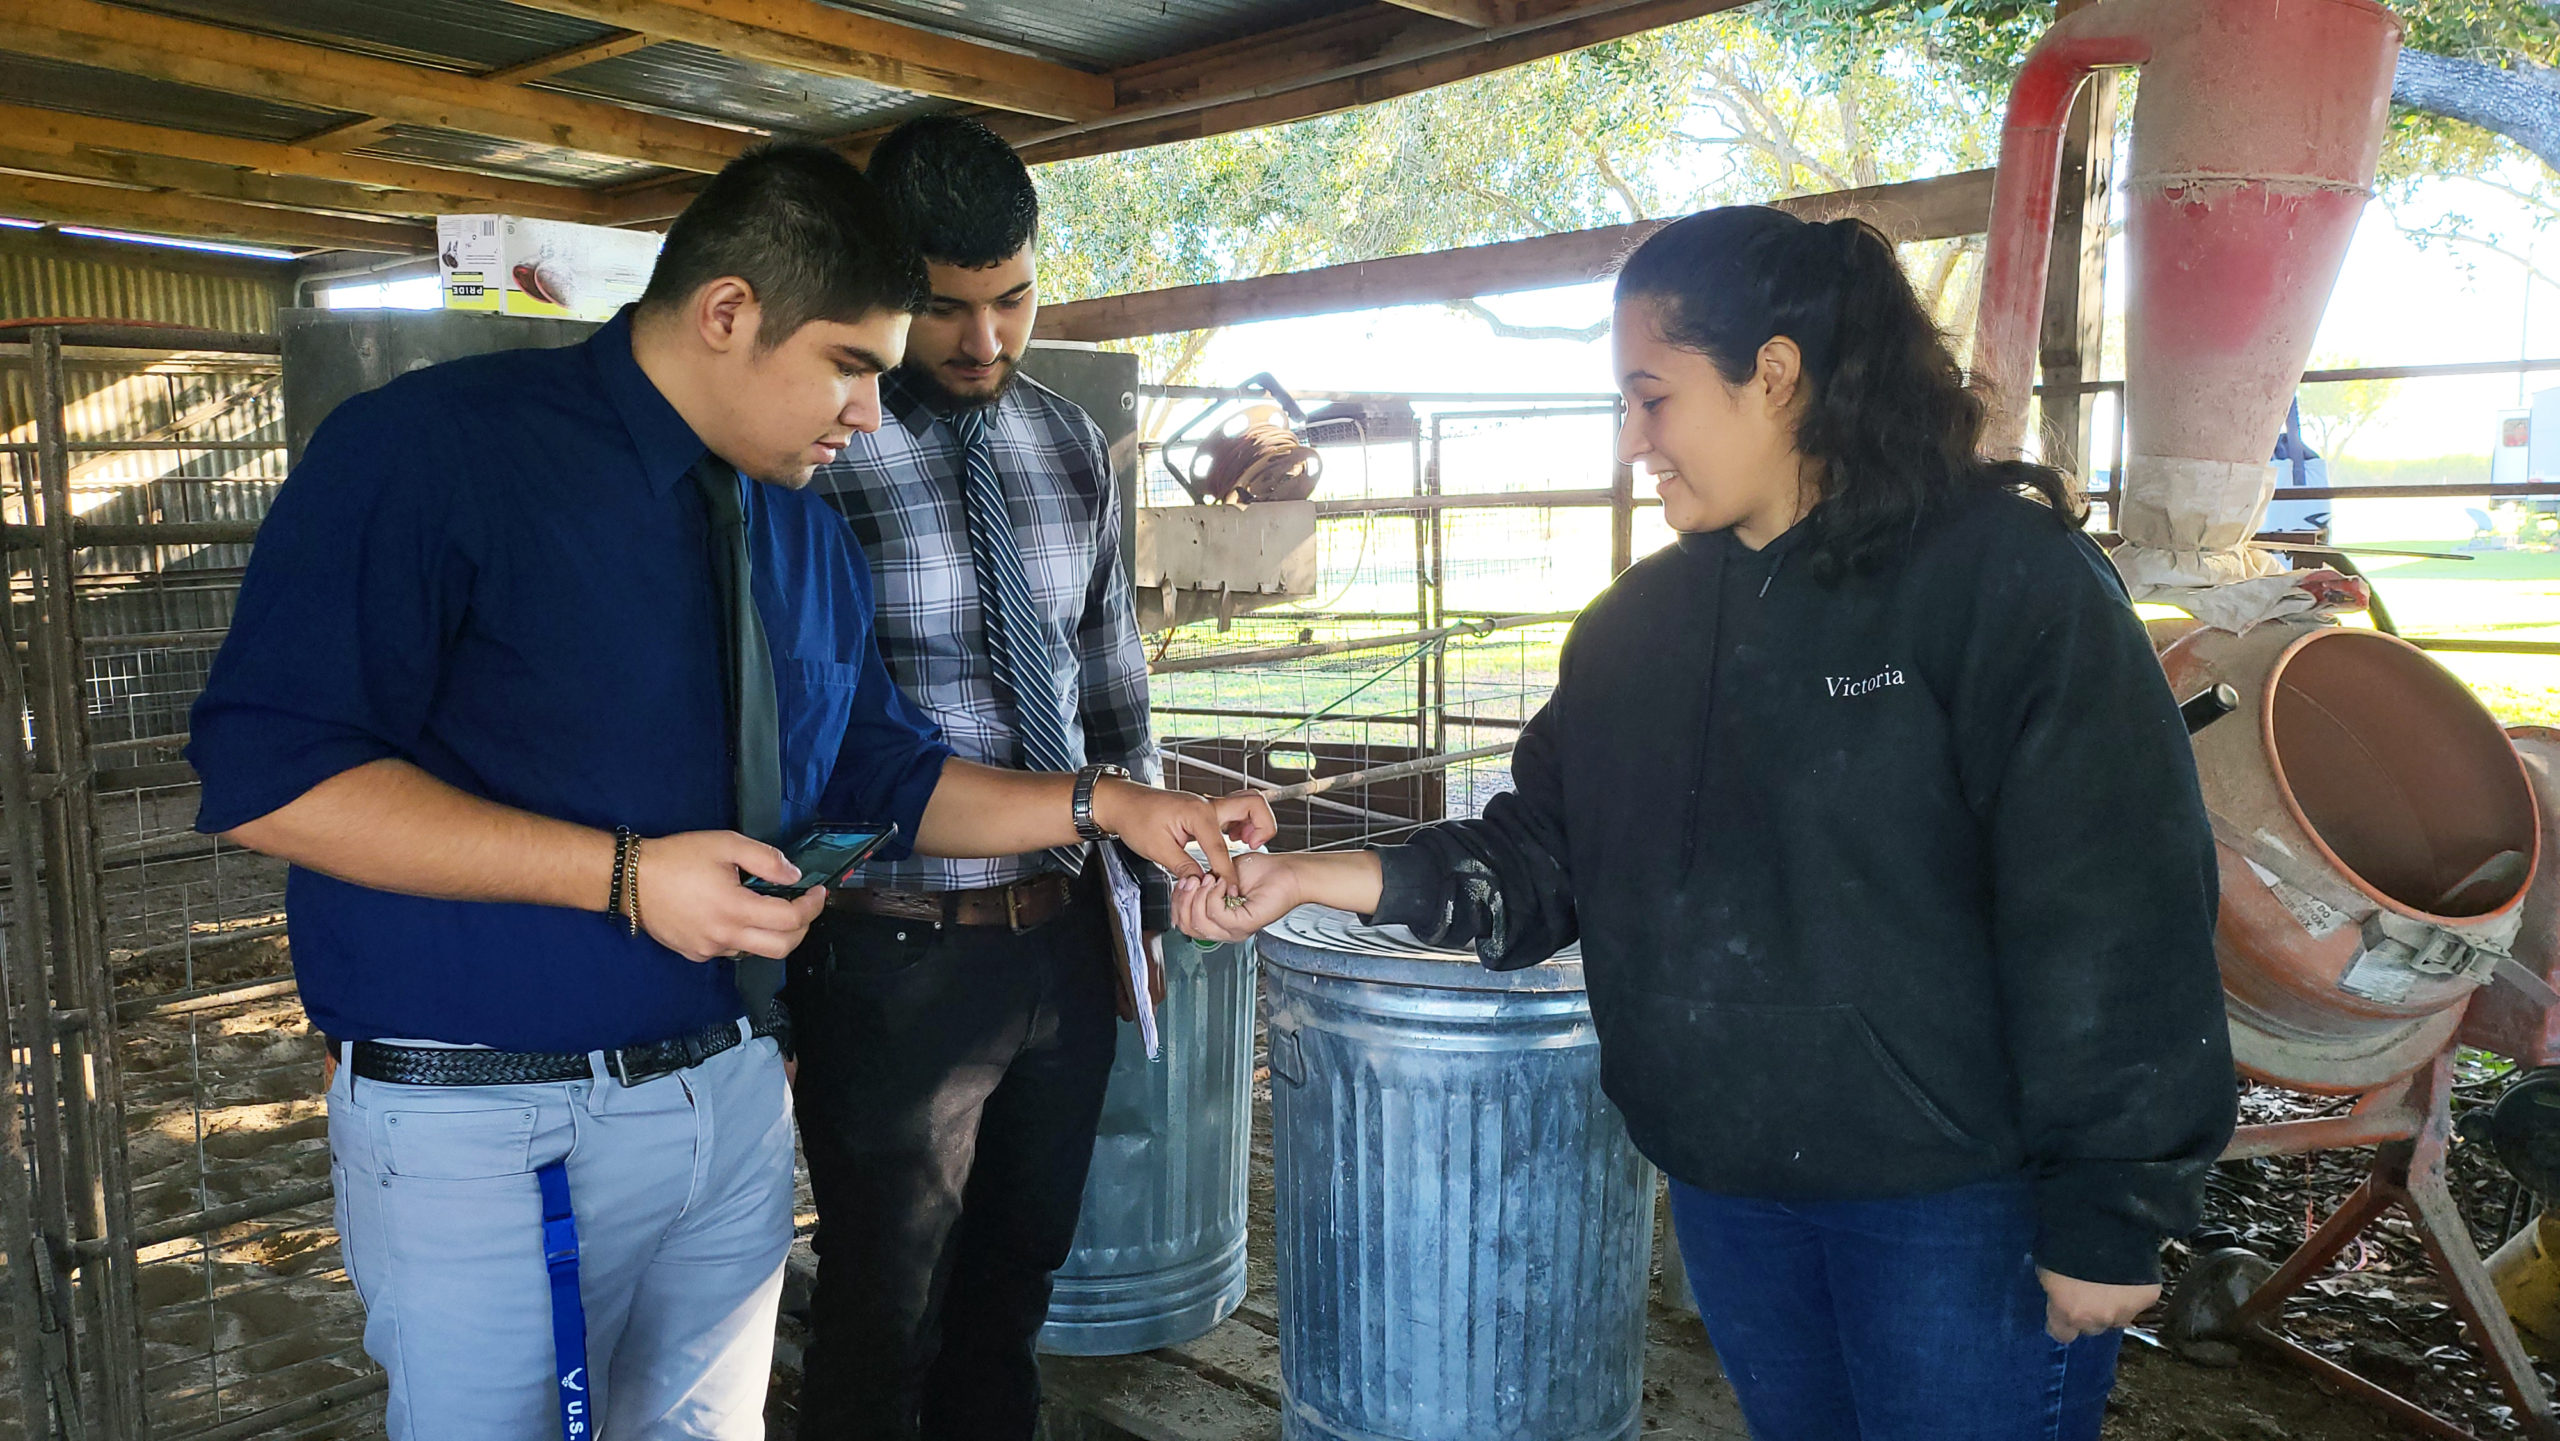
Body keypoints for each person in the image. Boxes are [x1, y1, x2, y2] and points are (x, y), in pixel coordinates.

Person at [187, 141, 1269, 1441]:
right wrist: (624, 876)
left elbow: (882, 772)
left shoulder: (799, 528)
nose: (872, 413)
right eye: (853, 366)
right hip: (493, 1113)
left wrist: (1104, 807)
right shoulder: (435, 455)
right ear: (727, 313)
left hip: (727, 1096)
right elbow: (269, 774)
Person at [1176, 205, 2238, 1441]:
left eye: (1652, 397)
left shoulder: (2003, 579)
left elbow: (2115, 900)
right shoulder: (1637, 626)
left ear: (1774, 375)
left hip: (1958, 1200)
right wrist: (1307, 875)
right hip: (1733, 1181)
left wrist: (2112, 1206)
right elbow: (1544, 857)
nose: (1633, 442)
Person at [786, 113, 1170, 1441]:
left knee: (1014, 1292)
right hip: (893, 951)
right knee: (886, 1311)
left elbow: (1110, 685)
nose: (985, 341)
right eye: (945, 310)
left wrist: (1143, 901)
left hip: (1060, 939)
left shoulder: (1067, 440)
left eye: (1011, 300)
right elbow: (800, 734)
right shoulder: (810, 453)